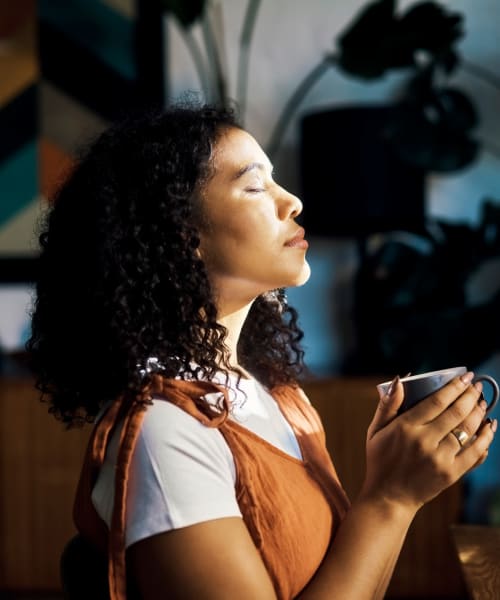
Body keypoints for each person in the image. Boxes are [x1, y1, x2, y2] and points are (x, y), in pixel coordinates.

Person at [27, 100, 497, 600]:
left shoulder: (276, 398)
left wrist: (396, 487)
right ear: (183, 235)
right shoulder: (165, 436)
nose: (292, 201)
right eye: (255, 186)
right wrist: (391, 499)